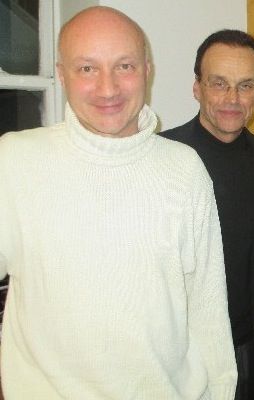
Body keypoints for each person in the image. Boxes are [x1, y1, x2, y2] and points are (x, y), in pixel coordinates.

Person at [0, 7, 237, 399]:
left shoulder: (185, 169)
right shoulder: (14, 161)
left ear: (147, 71)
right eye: (87, 68)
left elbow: (208, 311)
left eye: (124, 66)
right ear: (62, 75)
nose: (107, 88)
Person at [161, 29, 254, 400]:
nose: (232, 99)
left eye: (245, 86)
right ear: (197, 88)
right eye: (219, 83)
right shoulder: (160, 156)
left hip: (250, 349)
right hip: (180, 352)